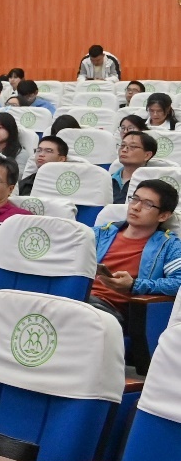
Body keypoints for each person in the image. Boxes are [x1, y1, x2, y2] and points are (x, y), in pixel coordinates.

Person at [90, 180, 181, 324]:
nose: (136, 207)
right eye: (135, 199)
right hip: (78, 297)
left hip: (112, 311)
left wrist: (134, 285)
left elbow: (178, 283)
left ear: (163, 216)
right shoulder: (99, 234)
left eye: (147, 204)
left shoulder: (169, 245)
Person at [113, 131, 157, 204]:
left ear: (147, 155)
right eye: (122, 145)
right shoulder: (108, 179)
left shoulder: (151, 185)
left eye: (132, 147)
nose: (124, 150)